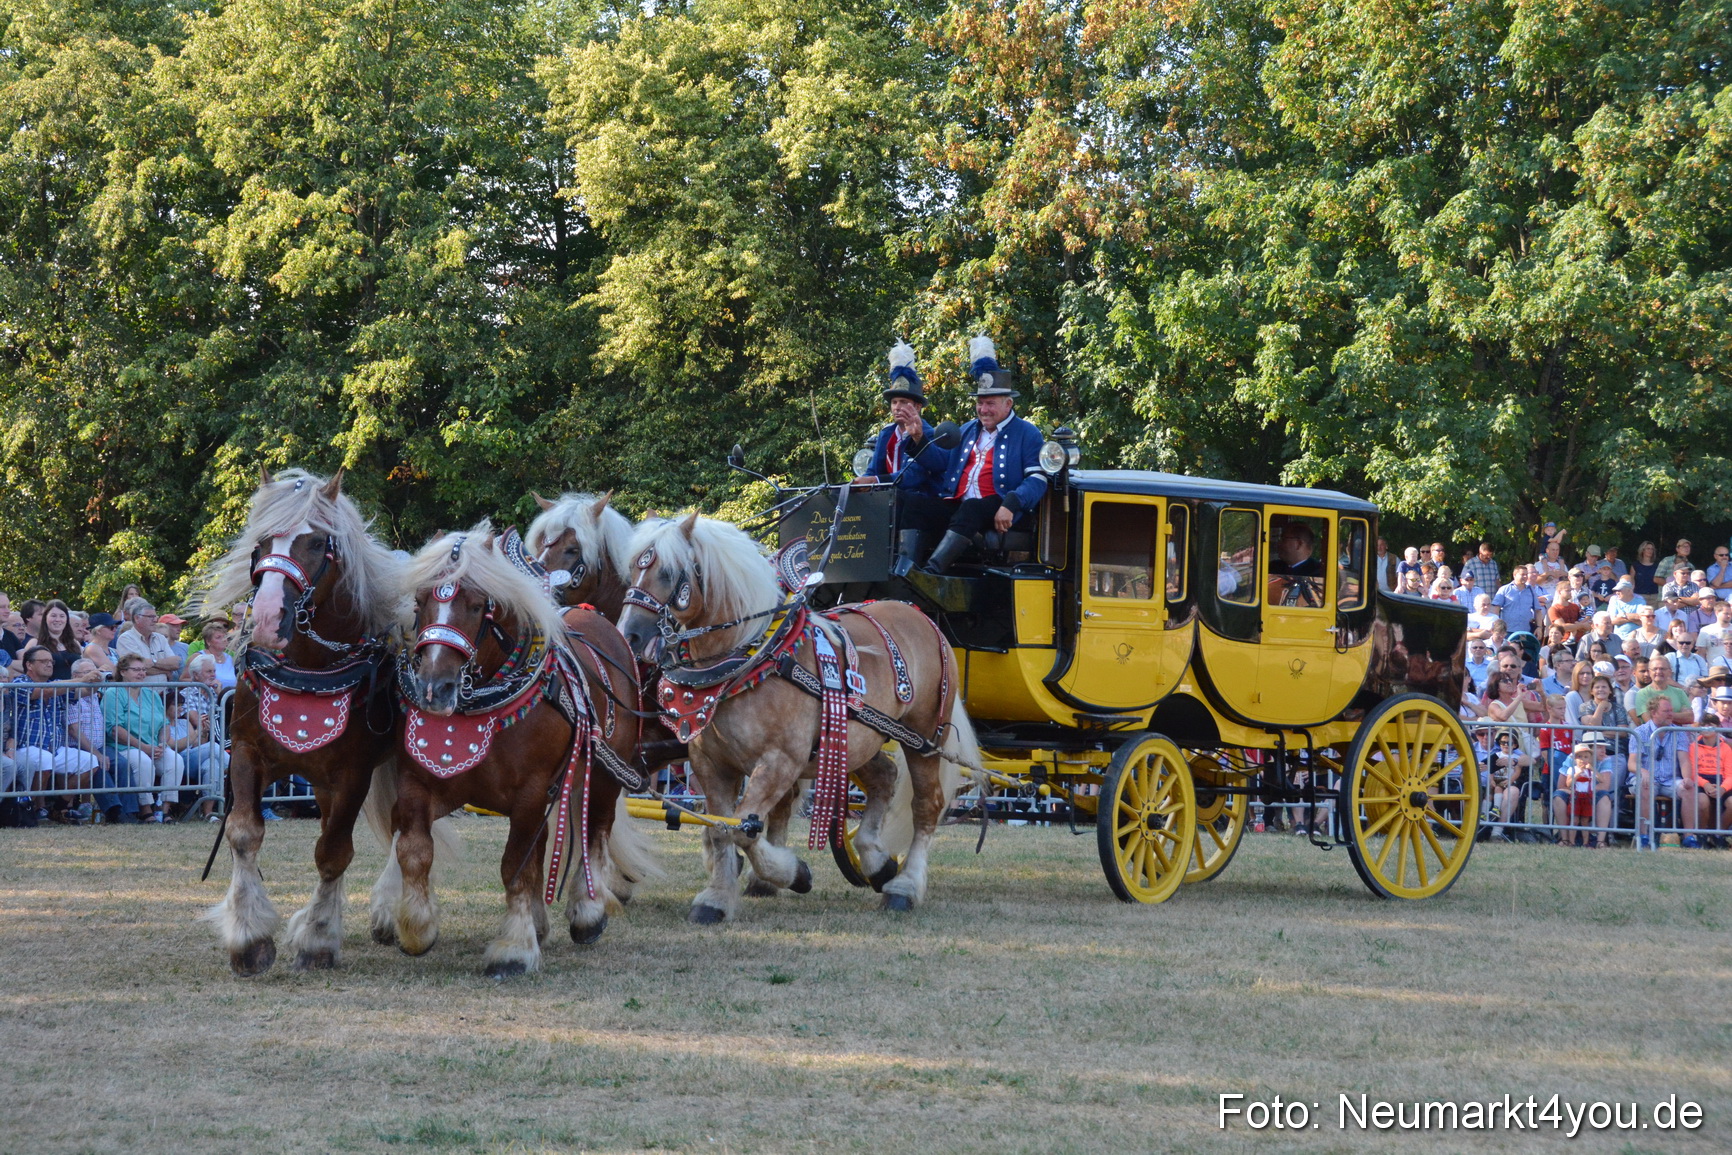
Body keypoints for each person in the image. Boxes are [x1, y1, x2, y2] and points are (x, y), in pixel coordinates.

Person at [897, 337, 1049, 575]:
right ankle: (906, 571)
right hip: (961, 504)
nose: (983, 409)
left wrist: (1011, 503)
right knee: (914, 505)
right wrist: (918, 439)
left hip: (999, 503)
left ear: (1008, 404)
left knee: (973, 509)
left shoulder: (1027, 433)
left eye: (990, 403)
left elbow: (1037, 479)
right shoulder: (967, 429)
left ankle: (932, 572)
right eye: (980, 403)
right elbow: (940, 463)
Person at [9, 647, 99, 823]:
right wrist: (81, 679)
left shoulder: (59, 684)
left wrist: (97, 679)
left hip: (54, 749)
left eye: (51, 661)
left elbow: (84, 692)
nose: (49, 664)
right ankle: (33, 809)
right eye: (44, 661)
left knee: (90, 761)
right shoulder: (19, 683)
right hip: (25, 748)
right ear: (29, 664)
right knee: (44, 759)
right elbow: (44, 691)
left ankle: (58, 807)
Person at [102, 653, 182, 822]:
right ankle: (145, 810)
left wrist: (161, 744)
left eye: (144, 670)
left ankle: (164, 810)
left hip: (153, 746)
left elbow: (164, 724)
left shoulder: (151, 694)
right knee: (143, 762)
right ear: (122, 672)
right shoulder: (113, 693)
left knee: (175, 760)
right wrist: (144, 748)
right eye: (136, 670)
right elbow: (115, 730)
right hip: (123, 747)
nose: (141, 673)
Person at [1627, 696, 1691, 849]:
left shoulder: (1679, 732)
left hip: (1670, 780)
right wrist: (1643, 772)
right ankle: (1643, 835)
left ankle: (1689, 836)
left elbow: (1684, 761)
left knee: (1689, 789)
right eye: (1666, 711)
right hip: (1646, 778)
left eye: (1671, 710)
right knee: (1645, 786)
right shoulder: (1640, 732)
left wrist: (1687, 778)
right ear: (1654, 713)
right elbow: (1632, 763)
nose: (1671, 714)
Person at [1267, 518, 1324, 606]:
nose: (1279, 544)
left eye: (1283, 539)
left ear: (1298, 543)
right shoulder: (1273, 566)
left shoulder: (1318, 572)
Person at [116, 602, 180, 679]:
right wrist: (165, 671)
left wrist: (153, 662)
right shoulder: (126, 639)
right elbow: (136, 670)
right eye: (151, 617)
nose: (155, 620)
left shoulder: (161, 638)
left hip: (164, 691)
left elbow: (175, 663)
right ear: (137, 618)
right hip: (139, 690)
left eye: (156, 616)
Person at [32, 599, 81, 681]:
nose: (58, 620)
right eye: (53, 616)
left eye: (62, 616)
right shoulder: (35, 643)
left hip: (74, 692)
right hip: (49, 691)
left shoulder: (75, 643)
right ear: (45, 618)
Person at [1492, 564, 1546, 634]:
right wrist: (1497, 628)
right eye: (1522, 574)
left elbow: (1538, 611)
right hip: (1507, 631)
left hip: (1526, 631)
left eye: (1526, 574)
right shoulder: (1504, 589)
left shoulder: (1531, 590)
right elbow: (1496, 609)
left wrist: (1539, 627)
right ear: (1514, 575)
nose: (1525, 577)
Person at [81, 612, 119, 677]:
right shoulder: (92, 649)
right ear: (98, 630)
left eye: (116, 627)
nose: (115, 630)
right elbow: (114, 672)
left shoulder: (113, 651)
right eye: (111, 627)